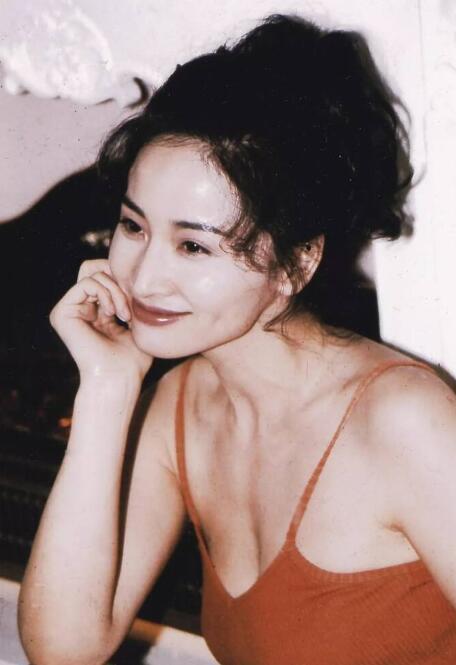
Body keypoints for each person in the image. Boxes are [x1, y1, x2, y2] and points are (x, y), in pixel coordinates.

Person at [18, 14, 456, 665]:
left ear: (297, 263)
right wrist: (106, 391)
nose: (143, 275)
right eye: (133, 226)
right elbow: (63, 649)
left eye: (193, 245)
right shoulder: (178, 408)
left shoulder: (404, 420)